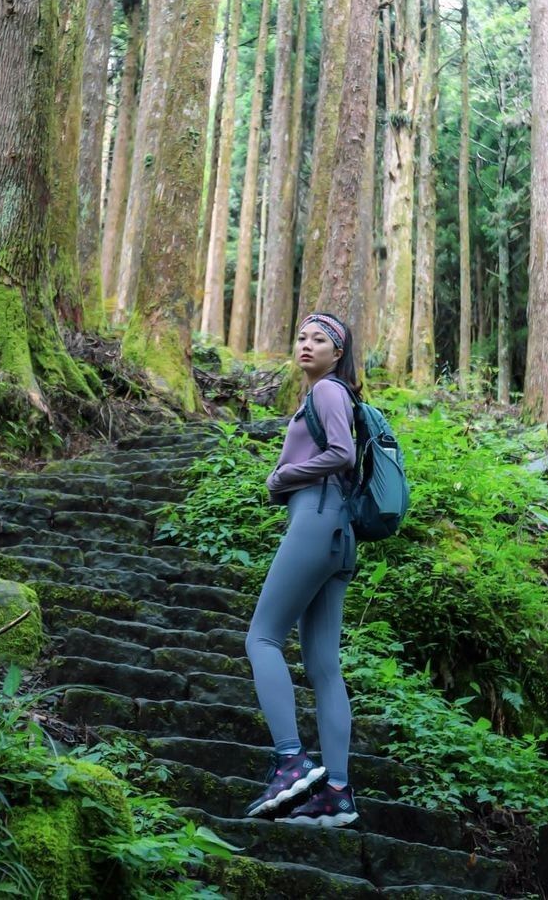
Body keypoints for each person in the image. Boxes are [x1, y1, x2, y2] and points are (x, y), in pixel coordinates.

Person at [242, 310, 360, 828]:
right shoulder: (329, 395)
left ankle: (291, 760)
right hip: (338, 534)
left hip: (315, 521)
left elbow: (343, 453)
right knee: (323, 665)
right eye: (303, 336)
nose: (307, 344)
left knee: (262, 639)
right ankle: (336, 791)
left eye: (321, 339)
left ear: (338, 353)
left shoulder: (328, 392)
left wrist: (283, 476)